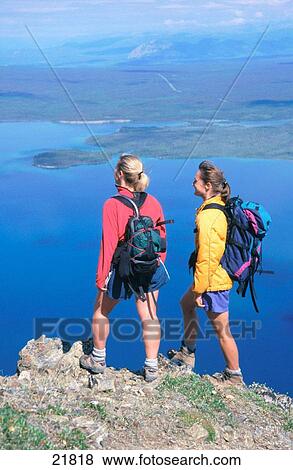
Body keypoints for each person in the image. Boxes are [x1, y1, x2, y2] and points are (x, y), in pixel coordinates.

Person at [80, 154, 169, 382]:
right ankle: (151, 367)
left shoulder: (112, 205)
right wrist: (156, 264)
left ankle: (97, 359)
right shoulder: (154, 202)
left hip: (123, 268)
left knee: (101, 310)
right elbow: (161, 239)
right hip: (150, 267)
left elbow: (108, 245)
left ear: (119, 174)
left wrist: (101, 279)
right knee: (150, 316)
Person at [170, 160, 244, 385]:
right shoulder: (213, 208)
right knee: (186, 304)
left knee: (222, 330)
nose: (193, 182)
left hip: (214, 281)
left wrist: (200, 290)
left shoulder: (209, 216)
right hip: (210, 278)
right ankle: (187, 352)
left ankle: (234, 375)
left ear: (208, 186)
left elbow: (207, 256)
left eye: (196, 179)